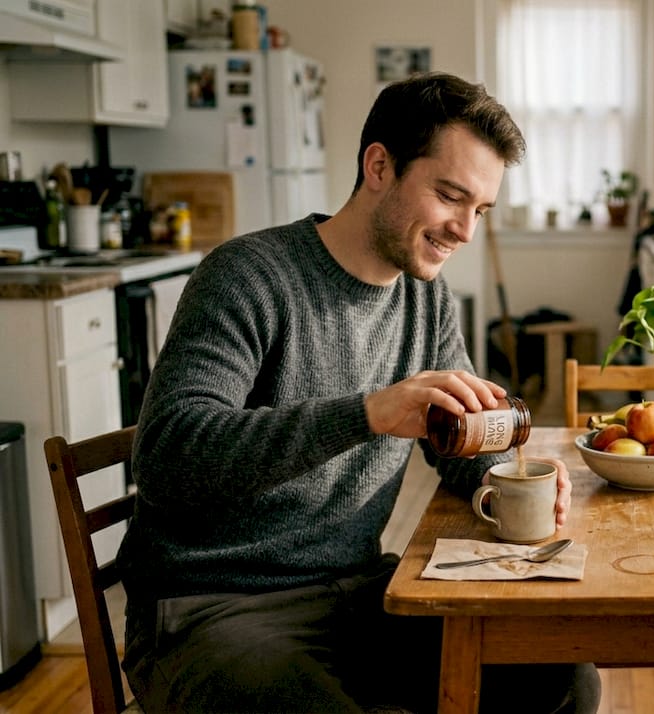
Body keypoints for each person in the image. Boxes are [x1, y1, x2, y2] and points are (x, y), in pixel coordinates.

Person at [117, 72, 600, 713]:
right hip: (214, 608)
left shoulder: (426, 301)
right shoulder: (247, 277)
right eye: (450, 196)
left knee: (562, 679)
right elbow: (167, 457)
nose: (464, 230)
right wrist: (366, 413)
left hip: (360, 592)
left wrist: (498, 480)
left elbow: (460, 432)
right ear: (379, 165)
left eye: (479, 210)